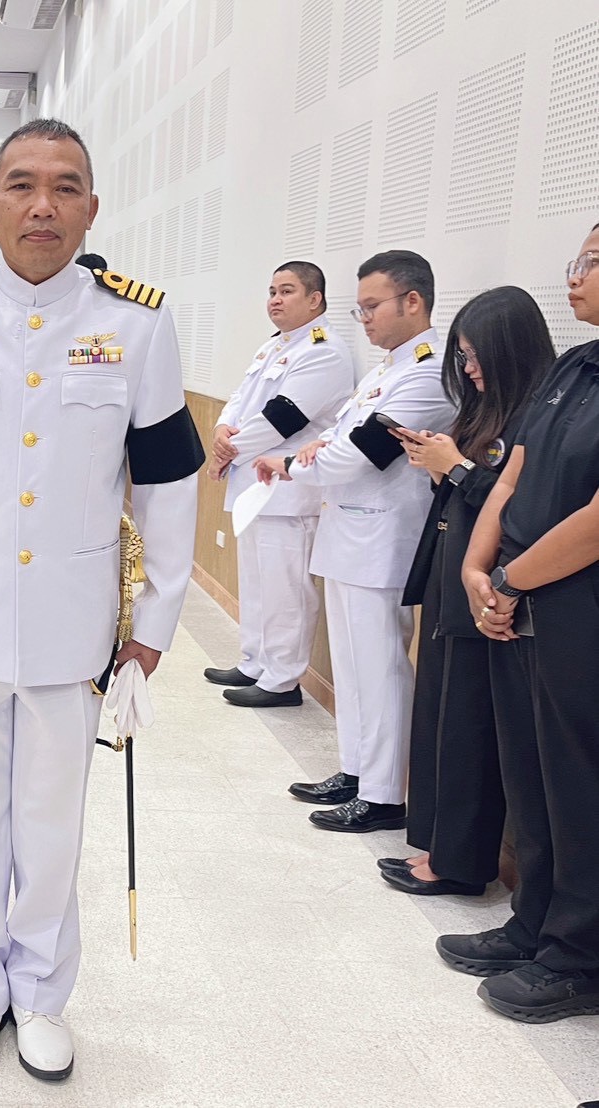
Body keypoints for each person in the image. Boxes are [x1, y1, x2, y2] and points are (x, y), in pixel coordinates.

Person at [0, 119, 202, 1083]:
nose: (42, 205)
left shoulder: (134, 324)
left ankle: (43, 995)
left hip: (73, 620)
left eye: (64, 187)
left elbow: (167, 483)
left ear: (91, 207)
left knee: (52, 825)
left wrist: (153, 625)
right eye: (20, 185)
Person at [440, 224, 599, 1024]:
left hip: (576, 604)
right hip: (517, 597)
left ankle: (578, 956)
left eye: (591, 261)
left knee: (578, 783)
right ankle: (532, 922)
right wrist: (477, 572)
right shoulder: (573, 365)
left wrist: (507, 578)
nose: (574, 274)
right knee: (529, 773)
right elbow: (510, 477)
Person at [256, 250, 455, 832]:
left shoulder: (428, 372)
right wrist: (317, 453)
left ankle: (385, 794)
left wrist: (293, 463)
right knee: (350, 664)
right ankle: (356, 770)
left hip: (383, 539)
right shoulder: (385, 370)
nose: (363, 318)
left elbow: (359, 452)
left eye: (372, 306)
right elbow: (339, 440)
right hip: (349, 532)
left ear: (412, 301)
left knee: (381, 667)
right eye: (360, 308)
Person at [382, 287, 554, 897]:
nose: (469, 367)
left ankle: (458, 864)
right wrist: (439, 466)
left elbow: (522, 510)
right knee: (439, 716)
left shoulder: (535, 416)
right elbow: (468, 490)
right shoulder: (487, 410)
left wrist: (453, 466)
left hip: (494, 594)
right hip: (452, 579)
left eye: (476, 354)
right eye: (462, 355)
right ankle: (435, 845)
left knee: (469, 730)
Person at [204, 262, 355, 707]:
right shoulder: (274, 345)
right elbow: (240, 399)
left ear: (315, 299)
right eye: (272, 291)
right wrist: (221, 428)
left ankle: (283, 679)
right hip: (255, 483)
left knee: (285, 589)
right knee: (257, 583)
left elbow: (285, 417)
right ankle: (255, 661)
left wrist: (227, 451)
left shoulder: (325, 351)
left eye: (287, 291)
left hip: (290, 492)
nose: (275, 299)